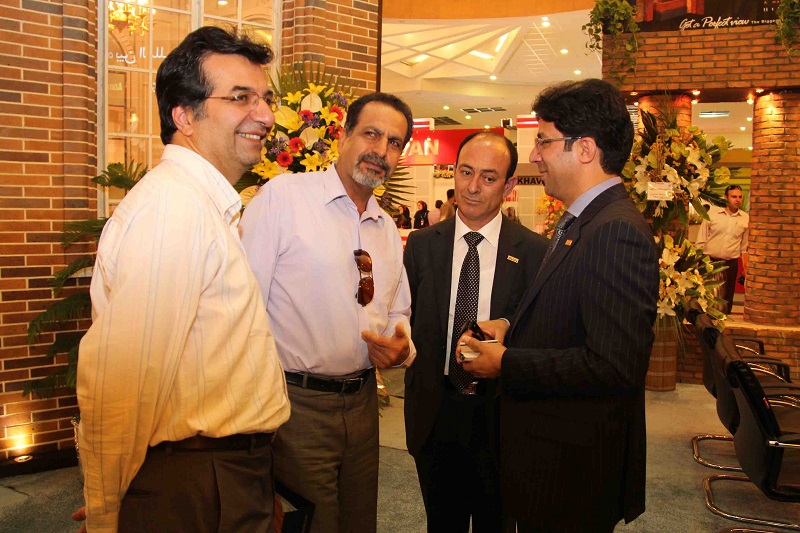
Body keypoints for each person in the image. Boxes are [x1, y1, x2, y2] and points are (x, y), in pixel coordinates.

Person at [73, 26, 290, 533]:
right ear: (184, 115)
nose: (265, 115)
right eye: (241, 97)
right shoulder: (174, 208)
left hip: (222, 473)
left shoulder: (198, 205)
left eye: (265, 98)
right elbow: (121, 384)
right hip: (197, 482)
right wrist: (107, 513)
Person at [457, 79, 659, 532]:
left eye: (544, 141)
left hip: (572, 473)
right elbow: (574, 321)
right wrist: (513, 330)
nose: (534, 155)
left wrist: (505, 362)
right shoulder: (584, 222)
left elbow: (613, 365)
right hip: (553, 460)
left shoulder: (614, 231)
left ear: (584, 149)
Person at [240, 91, 416, 533]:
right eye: (371, 134)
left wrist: (400, 346)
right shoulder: (284, 198)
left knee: (359, 522)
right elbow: (243, 307)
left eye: (394, 142)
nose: (381, 150)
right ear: (343, 136)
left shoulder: (385, 227)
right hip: (295, 406)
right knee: (310, 522)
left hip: (363, 405)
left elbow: (398, 311)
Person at [404, 131, 548, 532]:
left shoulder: (535, 252)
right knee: (441, 524)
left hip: (501, 415)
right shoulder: (421, 245)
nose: (472, 187)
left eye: (488, 177)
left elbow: (540, 333)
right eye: (465, 172)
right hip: (436, 412)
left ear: (509, 185)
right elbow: (407, 319)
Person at [695, 184, 749, 315]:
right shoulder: (712, 214)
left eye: (740, 197)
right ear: (726, 197)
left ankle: (725, 322)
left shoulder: (745, 218)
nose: (737, 200)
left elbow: (744, 247)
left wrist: (746, 269)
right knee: (705, 296)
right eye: (734, 197)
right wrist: (697, 262)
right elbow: (701, 240)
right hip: (709, 261)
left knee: (727, 299)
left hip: (730, 263)